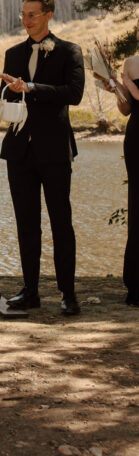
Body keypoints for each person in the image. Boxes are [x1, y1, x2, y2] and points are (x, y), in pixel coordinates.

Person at [0, 0, 85, 316]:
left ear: (48, 14)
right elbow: (3, 95)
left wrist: (32, 88)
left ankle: (68, 293)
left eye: (31, 14)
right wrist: (8, 88)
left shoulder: (68, 51)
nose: (25, 20)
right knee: (26, 223)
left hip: (54, 150)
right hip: (19, 150)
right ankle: (30, 291)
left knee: (62, 222)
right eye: (22, 15)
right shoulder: (13, 52)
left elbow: (73, 94)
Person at [105, 22, 139, 307]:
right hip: (138, 137)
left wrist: (128, 83)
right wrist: (116, 87)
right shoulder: (132, 62)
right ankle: (136, 285)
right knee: (138, 205)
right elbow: (127, 108)